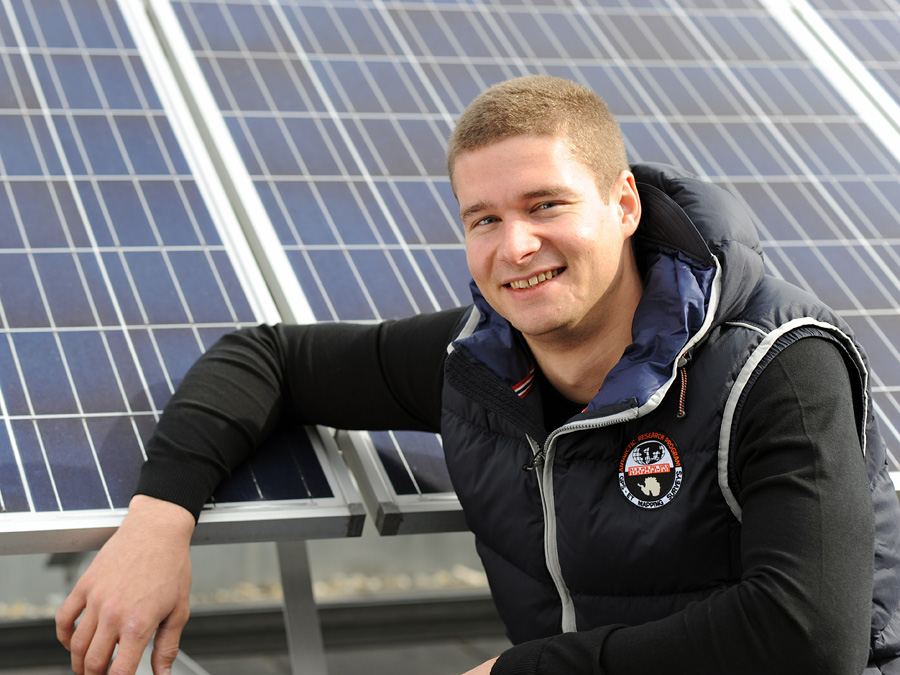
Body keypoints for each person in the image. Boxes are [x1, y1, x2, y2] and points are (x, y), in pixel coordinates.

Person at [56, 75, 900, 675]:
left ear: (625, 204)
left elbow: (808, 636)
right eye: (484, 219)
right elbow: (268, 357)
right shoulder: (479, 365)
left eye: (546, 205)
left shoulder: (775, 367)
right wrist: (157, 523)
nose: (515, 247)